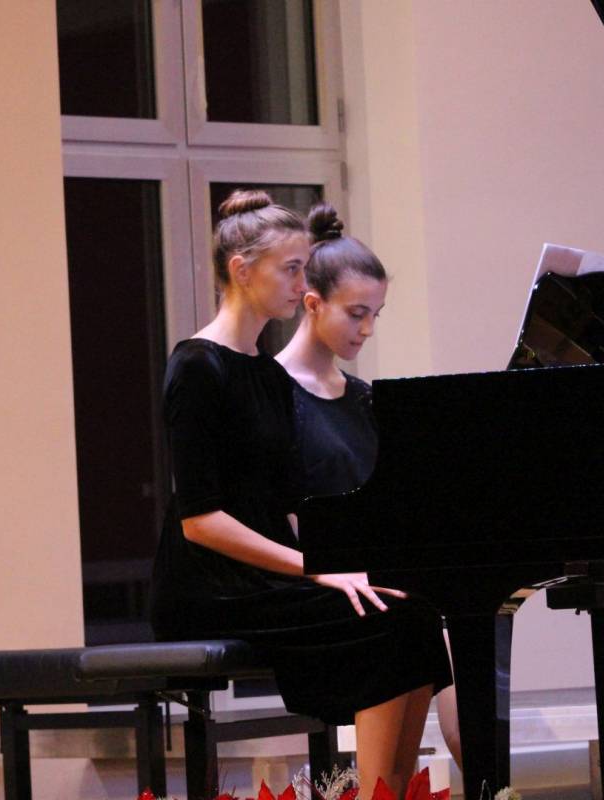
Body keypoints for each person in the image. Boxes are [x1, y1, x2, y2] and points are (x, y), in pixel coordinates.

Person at [149, 190, 453, 798]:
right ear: (242, 270)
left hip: (269, 575)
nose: (301, 283)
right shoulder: (197, 367)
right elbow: (199, 521)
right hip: (211, 584)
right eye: (291, 269)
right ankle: (373, 792)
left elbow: (290, 506)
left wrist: (349, 568)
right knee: (384, 621)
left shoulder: (267, 373)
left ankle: (392, 790)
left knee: (411, 608)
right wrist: (317, 570)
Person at [274, 203, 463, 769]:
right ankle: (380, 785)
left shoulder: (363, 399)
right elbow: (276, 510)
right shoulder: (273, 391)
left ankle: (474, 781)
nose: (368, 329)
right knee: (400, 619)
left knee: (446, 620)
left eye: (376, 314)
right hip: (307, 580)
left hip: (365, 577)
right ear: (312, 303)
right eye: (357, 313)